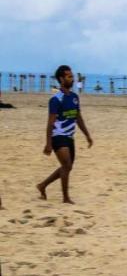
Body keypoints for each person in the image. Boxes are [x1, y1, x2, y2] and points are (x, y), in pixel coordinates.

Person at [37, 65, 92, 204]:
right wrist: (48, 143)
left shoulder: (74, 97)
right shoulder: (56, 99)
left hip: (69, 137)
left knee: (67, 167)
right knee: (67, 165)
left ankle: (43, 185)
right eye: (69, 76)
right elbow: (50, 123)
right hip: (58, 136)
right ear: (61, 79)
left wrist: (87, 135)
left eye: (72, 76)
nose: (72, 78)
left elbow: (78, 118)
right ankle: (66, 198)